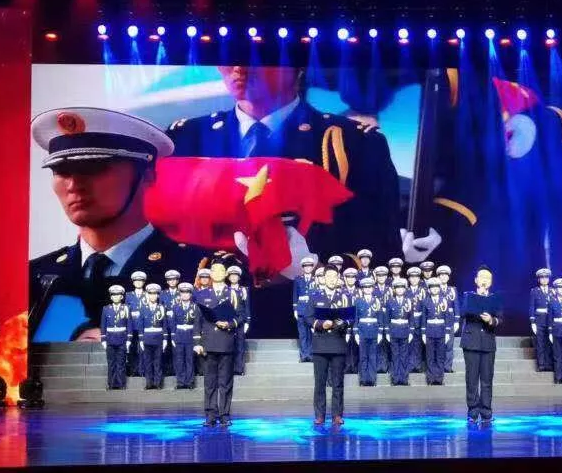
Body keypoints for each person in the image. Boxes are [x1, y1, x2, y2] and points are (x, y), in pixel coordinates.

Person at [165, 66, 407, 264]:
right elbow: (166, 245)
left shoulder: (357, 144)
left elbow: (382, 253)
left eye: (258, 53)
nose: (238, 67)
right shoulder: (187, 138)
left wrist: (313, 271)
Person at [29, 107, 209, 342]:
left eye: (93, 167)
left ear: (147, 174)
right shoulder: (34, 276)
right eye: (61, 171)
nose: (73, 185)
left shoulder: (197, 272)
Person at [194, 256, 243, 427]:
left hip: (226, 341)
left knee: (226, 382)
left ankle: (224, 415)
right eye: (214, 270)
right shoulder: (201, 294)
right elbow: (197, 320)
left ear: (226, 273)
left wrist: (229, 324)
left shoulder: (233, 293)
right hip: (208, 342)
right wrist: (197, 342)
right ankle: (210, 415)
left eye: (221, 270)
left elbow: (240, 316)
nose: (217, 273)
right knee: (209, 382)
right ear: (210, 273)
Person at [307, 266, 352, 426]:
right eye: (329, 276)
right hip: (320, 345)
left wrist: (338, 323)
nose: (332, 279)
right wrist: (321, 324)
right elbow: (308, 318)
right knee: (320, 383)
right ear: (324, 278)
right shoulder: (315, 296)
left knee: (338, 383)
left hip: (338, 344)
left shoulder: (345, 296)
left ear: (338, 278)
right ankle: (320, 415)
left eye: (335, 276)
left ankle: (337, 415)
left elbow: (351, 319)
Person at [460, 266, 503, 423]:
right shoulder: (468, 296)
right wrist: (479, 301)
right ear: (476, 280)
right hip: (471, 342)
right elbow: (463, 312)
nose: (484, 280)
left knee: (487, 380)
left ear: (491, 282)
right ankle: (472, 412)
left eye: (488, 278)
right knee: (471, 379)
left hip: (488, 343)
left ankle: (486, 412)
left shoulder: (495, 298)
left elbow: (500, 319)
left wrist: (491, 320)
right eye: (482, 277)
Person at [136, 283, 170, 390]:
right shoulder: (143, 308)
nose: (153, 296)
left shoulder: (161, 308)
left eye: (155, 294)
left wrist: (165, 339)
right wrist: (141, 339)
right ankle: (149, 383)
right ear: (147, 295)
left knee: (158, 362)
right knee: (148, 362)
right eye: (151, 294)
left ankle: (158, 383)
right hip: (147, 338)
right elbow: (140, 325)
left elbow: (164, 325)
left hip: (158, 338)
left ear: (158, 295)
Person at [420, 278, 452, 385]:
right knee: (430, 356)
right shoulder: (425, 301)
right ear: (429, 289)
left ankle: (439, 379)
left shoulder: (444, 300)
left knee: (440, 356)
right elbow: (423, 318)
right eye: (432, 287)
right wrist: (423, 333)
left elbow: (447, 317)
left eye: (436, 287)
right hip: (429, 331)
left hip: (441, 331)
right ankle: (430, 379)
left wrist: (447, 332)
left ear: (439, 288)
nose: (434, 289)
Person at [354, 278, 385, 386]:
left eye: (369, 287)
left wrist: (380, 332)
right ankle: (363, 379)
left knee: (372, 356)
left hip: (373, 331)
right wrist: (356, 333)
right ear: (362, 289)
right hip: (362, 331)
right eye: (365, 287)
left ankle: (372, 379)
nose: (367, 289)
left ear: (372, 288)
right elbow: (356, 318)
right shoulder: (358, 301)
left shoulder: (377, 301)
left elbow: (380, 317)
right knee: (363, 356)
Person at [100, 285, 131, 390]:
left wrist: (129, 340)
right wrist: (103, 340)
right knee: (111, 364)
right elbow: (103, 325)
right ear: (111, 297)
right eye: (113, 295)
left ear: (121, 297)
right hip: (110, 340)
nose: (116, 297)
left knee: (121, 363)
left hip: (122, 339)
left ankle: (121, 384)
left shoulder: (126, 308)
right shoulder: (106, 309)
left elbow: (129, 324)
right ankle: (111, 384)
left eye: (118, 295)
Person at [170, 282, 200, 389]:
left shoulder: (195, 307)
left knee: (189, 359)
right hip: (179, 335)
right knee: (179, 360)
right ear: (180, 294)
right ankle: (180, 382)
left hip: (190, 335)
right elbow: (172, 323)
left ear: (190, 294)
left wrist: (197, 339)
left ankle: (190, 382)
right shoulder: (175, 307)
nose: (185, 295)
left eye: (187, 292)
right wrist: (173, 337)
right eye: (182, 292)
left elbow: (197, 323)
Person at [385, 278, 414, 386]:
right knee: (395, 356)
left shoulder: (408, 301)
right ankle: (395, 379)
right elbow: (387, 318)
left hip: (405, 330)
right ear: (394, 289)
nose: (400, 290)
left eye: (402, 288)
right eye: (397, 288)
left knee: (404, 356)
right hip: (394, 330)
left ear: (405, 289)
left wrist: (411, 332)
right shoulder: (390, 301)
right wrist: (387, 332)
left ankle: (404, 379)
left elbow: (411, 318)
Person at [226, 265, 250, 375]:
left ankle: (239, 369)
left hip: (240, 320)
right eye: (231, 276)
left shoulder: (243, 290)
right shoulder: (225, 290)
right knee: (228, 346)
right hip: (228, 321)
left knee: (240, 346)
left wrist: (247, 322)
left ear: (239, 277)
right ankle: (229, 369)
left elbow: (247, 306)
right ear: (229, 277)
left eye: (235, 276)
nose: (233, 277)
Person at [529, 268, 554, 372]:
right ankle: (541, 364)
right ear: (539, 279)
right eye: (542, 277)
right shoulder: (534, 291)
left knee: (549, 342)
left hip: (550, 320)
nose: (544, 279)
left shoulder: (553, 291)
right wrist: (532, 322)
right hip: (539, 320)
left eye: (546, 277)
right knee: (540, 343)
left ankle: (549, 364)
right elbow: (531, 306)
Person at [293, 257, 317, 362]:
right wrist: (295, 309)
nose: (308, 268)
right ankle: (303, 355)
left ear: (312, 267)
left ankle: (311, 355)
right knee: (303, 334)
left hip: (312, 310)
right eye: (306, 266)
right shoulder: (298, 279)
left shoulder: (316, 279)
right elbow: (295, 295)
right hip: (301, 309)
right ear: (303, 268)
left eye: (310, 266)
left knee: (311, 333)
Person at [437, 265, 460, 373]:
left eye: (445, 275)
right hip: (439, 321)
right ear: (438, 277)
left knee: (449, 345)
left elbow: (456, 305)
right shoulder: (434, 289)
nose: (443, 277)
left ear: (448, 277)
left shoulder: (452, 290)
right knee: (439, 345)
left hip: (450, 321)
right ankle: (439, 367)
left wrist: (457, 321)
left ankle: (447, 367)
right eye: (441, 275)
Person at [405, 267, 426, 373]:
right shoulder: (405, 291)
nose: (414, 279)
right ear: (409, 279)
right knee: (409, 344)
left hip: (420, 320)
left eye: (416, 277)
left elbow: (426, 307)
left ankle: (417, 366)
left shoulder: (424, 291)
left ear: (419, 279)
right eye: (412, 277)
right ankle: (409, 365)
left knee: (418, 344)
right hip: (408, 321)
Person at [341, 268, 360, 374]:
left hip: (357, 321)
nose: (351, 279)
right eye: (349, 277)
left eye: (353, 277)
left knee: (356, 345)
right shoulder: (341, 291)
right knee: (346, 345)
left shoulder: (360, 291)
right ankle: (347, 366)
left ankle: (355, 366)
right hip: (345, 321)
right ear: (345, 278)